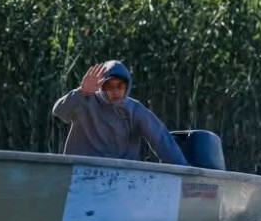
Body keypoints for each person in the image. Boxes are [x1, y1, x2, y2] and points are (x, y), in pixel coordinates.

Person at [52, 60, 188, 165]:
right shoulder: (84, 100)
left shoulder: (134, 110)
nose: (115, 91)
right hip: (81, 173)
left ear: (127, 87)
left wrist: (184, 170)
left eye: (120, 86)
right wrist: (81, 92)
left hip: (121, 177)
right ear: (100, 86)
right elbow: (58, 112)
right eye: (109, 86)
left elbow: (161, 139)